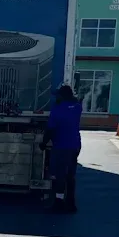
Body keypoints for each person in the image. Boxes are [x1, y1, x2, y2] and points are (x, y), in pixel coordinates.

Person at [41, 84, 82, 212]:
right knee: (70, 175)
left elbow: (50, 129)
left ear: (62, 96)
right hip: (75, 145)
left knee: (59, 175)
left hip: (61, 146)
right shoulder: (77, 107)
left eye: (58, 95)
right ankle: (71, 203)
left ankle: (58, 202)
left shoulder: (58, 109)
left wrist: (43, 143)